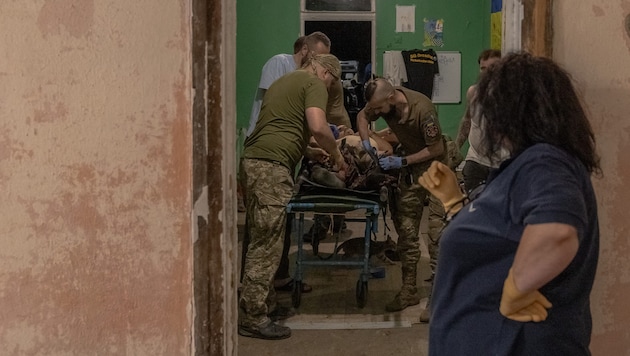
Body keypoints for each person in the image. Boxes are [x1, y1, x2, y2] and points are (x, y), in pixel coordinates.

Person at [419, 52, 600, 354]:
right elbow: (500, 239)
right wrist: (455, 204)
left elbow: (556, 232)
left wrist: (516, 288)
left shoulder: (544, 162)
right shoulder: (525, 164)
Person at [239, 54, 346, 340]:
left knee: (260, 238)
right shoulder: (313, 83)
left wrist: (308, 151)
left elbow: (280, 127)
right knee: (266, 246)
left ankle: (264, 305)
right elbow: (318, 127)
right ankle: (253, 317)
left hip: (254, 161)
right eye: (331, 81)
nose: (329, 87)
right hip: (271, 169)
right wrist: (336, 155)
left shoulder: (282, 82)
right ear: (324, 71)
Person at [356, 78, 445, 313]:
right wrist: (366, 141)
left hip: (436, 167)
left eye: (378, 108)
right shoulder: (380, 103)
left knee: (437, 233)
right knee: (406, 231)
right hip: (412, 171)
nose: (375, 112)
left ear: (391, 97)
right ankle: (409, 291)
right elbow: (363, 116)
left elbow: (437, 148)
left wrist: (402, 160)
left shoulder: (422, 109)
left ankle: (438, 296)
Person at [454, 49, 510, 195]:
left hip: (502, 162)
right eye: (483, 68)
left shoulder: (512, 95)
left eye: (492, 68)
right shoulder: (474, 92)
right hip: (476, 160)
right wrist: (456, 147)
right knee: (474, 208)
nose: (486, 73)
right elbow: (467, 120)